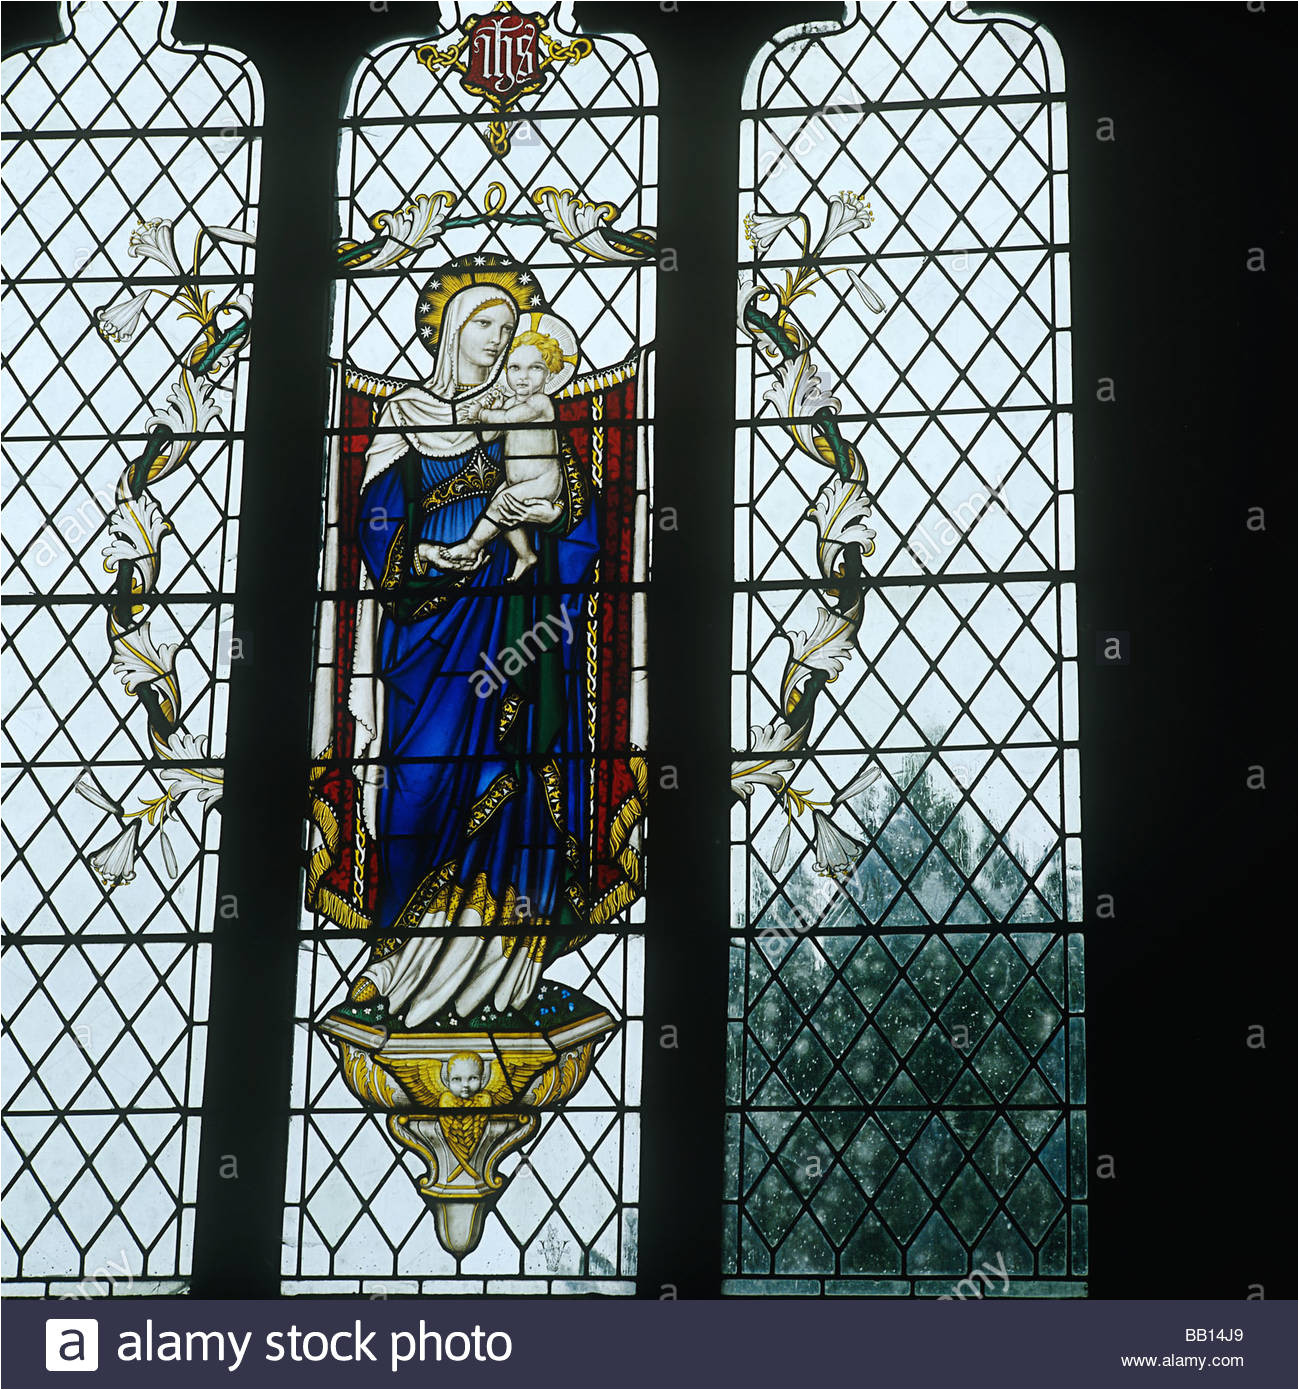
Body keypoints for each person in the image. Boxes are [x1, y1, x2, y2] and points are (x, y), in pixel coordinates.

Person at [343, 276, 598, 1029]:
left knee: (509, 771)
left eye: (507, 325)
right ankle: (394, 956)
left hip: (508, 626)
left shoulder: (520, 413)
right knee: (416, 781)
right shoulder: (406, 415)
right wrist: (421, 550)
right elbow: (375, 519)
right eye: (483, 322)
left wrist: (536, 525)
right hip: (422, 624)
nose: (495, 337)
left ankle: (502, 961)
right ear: (452, 327)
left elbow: (568, 522)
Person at [427, 331, 566, 582]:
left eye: (535, 368)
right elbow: (489, 436)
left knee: (501, 505)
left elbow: (509, 419)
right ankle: (525, 555)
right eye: (514, 368)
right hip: (517, 481)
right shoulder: (510, 402)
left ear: (550, 373)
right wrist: (493, 408)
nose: (523, 376)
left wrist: (482, 413)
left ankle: (472, 546)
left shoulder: (541, 403)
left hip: (542, 482)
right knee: (503, 511)